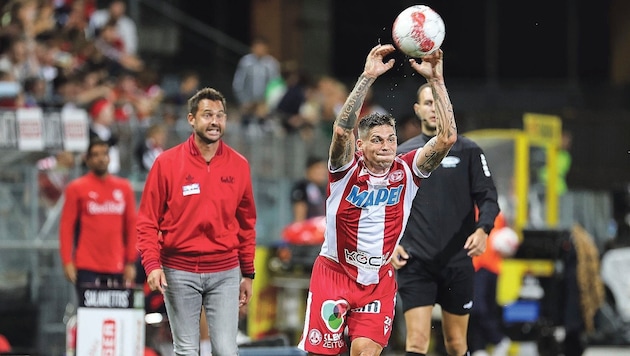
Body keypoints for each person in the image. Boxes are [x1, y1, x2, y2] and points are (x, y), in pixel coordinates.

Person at [297, 44, 457, 356]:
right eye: (377, 140)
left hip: (378, 281)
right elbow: (342, 130)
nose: (386, 146)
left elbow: (447, 139)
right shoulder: (345, 169)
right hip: (334, 274)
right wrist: (367, 78)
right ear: (362, 145)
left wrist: (437, 81)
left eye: (392, 139)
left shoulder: (408, 170)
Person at [136, 87, 257, 356]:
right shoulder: (166, 163)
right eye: (207, 115)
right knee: (187, 350)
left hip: (225, 272)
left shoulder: (239, 165)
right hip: (178, 270)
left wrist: (248, 273)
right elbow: (146, 221)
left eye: (220, 115)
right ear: (191, 119)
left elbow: (247, 223)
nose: (215, 121)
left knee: (226, 351)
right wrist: (153, 265)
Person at [391, 81, 501, 355]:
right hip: (415, 262)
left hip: (457, 262)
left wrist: (483, 230)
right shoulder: (403, 153)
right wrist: (391, 242)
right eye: (427, 103)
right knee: (416, 342)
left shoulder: (469, 151)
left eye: (437, 103)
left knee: (455, 343)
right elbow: (388, 205)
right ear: (417, 110)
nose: (433, 109)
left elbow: (487, 197)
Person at [59, 138, 137, 297]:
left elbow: (131, 226)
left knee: (115, 318)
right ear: (87, 159)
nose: (101, 158)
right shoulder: (77, 188)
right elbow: (66, 227)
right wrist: (67, 261)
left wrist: (130, 262)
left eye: (105, 153)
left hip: (117, 265)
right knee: (89, 317)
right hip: (87, 265)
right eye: (95, 154)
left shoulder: (124, 188)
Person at [469, 213, 512, 356]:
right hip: (475, 266)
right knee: (477, 309)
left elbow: (504, 237)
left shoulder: (496, 214)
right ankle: (481, 347)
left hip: (491, 268)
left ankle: (494, 341)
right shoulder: (468, 208)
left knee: (485, 308)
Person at [231, 36, 280, 129]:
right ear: (253, 48)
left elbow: (275, 86)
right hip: (248, 103)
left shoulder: (272, 64)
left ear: (267, 48)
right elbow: (238, 83)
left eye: (262, 47)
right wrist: (244, 101)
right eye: (257, 47)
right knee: (247, 129)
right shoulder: (245, 62)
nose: (260, 50)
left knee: (265, 128)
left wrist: (268, 103)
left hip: (265, 105)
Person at [290, 155, 327, 222]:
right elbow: (299, 216)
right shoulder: (301, 187)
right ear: (309, 170)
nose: (323, 172)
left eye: (324, 168)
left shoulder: (323, 189)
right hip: (309, 229)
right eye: (319, 168)